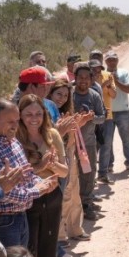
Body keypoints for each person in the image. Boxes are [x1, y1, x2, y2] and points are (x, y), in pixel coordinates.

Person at [0, 99, 58, 248]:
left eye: (17, 121)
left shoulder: (12, 141)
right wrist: (38, 190)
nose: (15, 126)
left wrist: (42, 182)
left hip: (19, 216)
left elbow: (26, 174)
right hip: (1, 221)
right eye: (10, 122)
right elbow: (2, 193)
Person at [17, 94, 70, 257]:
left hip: (52, 197)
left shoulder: (53, 135)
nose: (34, 118)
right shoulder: (16, 139)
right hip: (29, 200)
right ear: (20, 116)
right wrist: (41, 167)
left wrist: (51, 165)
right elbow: (21, 176)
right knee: (30, 252)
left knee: (48, 251)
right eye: (28, 114)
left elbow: (64, 171)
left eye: (38, 113)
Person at [48, 80, 91, 243]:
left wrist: (80, 122)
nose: (62, 98)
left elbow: (69, 134)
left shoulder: (64, 112)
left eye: (66, 95)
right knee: (64, 195)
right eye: (58, 94)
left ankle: (75, 229)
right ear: (50, 93)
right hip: (59, 159)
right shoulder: (47, 113)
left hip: (70, 154)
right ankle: (60, 235)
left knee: (74, 192)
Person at [72, 63, 107, 219]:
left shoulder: (94, 95)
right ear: (75, 78)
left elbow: (102, 117)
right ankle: (73, 206)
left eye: (87, 77)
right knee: (73, 174)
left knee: (89, 173)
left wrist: (91, 118)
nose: (83, 81)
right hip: (71, 144)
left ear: (91, 79)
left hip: (89, 143)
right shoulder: (70, 94)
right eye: (80, 77)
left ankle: (86, 203)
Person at [104, 51, 129, 173]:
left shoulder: (124, 73)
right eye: (109, 60)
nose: (112, 62)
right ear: (106, 61)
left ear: (117, 61)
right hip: (108, 112)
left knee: (127, 139)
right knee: (108, 141)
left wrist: (116, 81)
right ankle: (109, 164)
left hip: (123, 111)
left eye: (114, 59)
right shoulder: (102, 74)